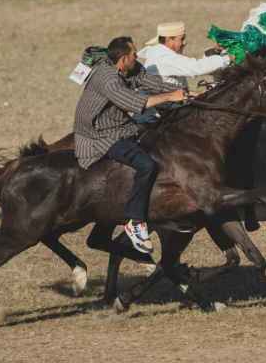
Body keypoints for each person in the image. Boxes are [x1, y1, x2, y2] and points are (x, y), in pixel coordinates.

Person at [73, 36, 187, 253]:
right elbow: (135, 102)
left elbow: (148, 81)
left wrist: (182, 92)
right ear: (124, 59)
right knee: (146, 165)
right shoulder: (107, 79)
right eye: (134, 54)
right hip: (99, 136)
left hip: (122, 126)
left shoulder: (127, 68)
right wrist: (171, 96)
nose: (138, 56)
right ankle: (135, 222)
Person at [137, 22, 231, 89]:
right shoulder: (163, 57)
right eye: (182, 39)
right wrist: (228, 58)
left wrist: (214, 52)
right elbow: (196, 68)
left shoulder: (160, 52)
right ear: (169, 40)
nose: (184, 43)